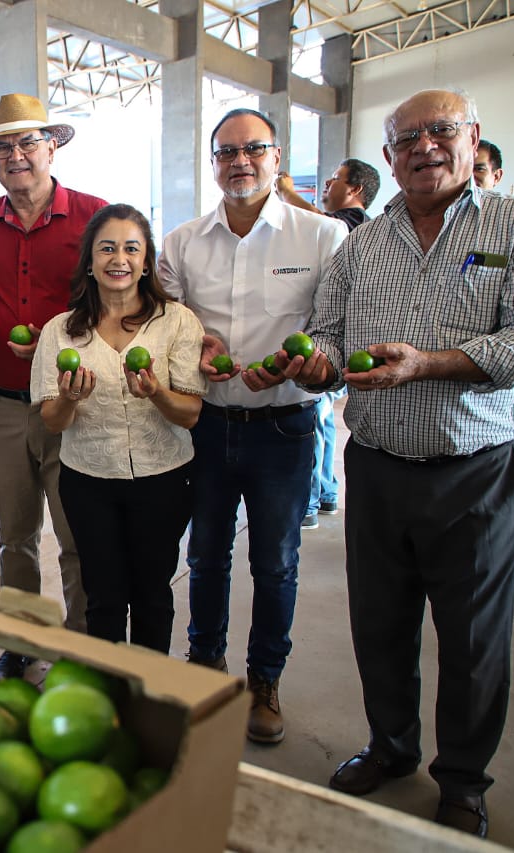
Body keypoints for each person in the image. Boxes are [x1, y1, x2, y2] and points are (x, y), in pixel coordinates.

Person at [282, 88, 514, 839]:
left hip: (477, 470)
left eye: (441, 131)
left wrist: (430, 363)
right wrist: (319, 367)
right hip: (377, 464)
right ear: (389, 154)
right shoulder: (364, 243)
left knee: (472, 637)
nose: (424, 147)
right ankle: (391, 745)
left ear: (472, 138)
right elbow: (329, 332)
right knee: (381, 622)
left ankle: (464, 778)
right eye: (407, 138)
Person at [158, 108, 346, 744]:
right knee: (206, 556)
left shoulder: (321, 238)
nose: (240, 161)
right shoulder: (183, 242)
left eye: (254, 149)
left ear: (276, 155)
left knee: (277, 562)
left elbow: (334, 328)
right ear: (213, 162)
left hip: (285, 426)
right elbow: (167, 324)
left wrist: (307, 360)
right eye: (227, 152)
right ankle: (205, 666)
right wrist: (198, 344)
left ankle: (264, 680)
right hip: (205, 427)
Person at [0, 93, 107, 680]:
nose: (14, 155)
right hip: (6, 408)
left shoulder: (94, 216)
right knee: (14, 536)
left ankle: (82, 652)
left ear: (53, 145)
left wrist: (55, 340)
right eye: (1, 146)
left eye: (26, 143)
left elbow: (119, 301)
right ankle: (21, 643)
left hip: (74, 404)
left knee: (77, 539)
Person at [31, 204, 204, 650]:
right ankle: (107, 696)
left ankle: (148, 697)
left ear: (147, 261)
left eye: (131, 248)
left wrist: (157, 393)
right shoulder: (60, 331)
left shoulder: (177, 322)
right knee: (103, 597)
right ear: (89, 261)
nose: (119, 259)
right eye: (106, 248)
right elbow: (52, 422)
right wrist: (69, 399)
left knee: (152, 593)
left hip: (162, 477)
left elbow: (190, 414)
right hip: (88, 480)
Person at [275, 158, 380, 529]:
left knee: (316, 417)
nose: (326, 185)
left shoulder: (348, 224)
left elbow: (324, 220)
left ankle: (312, 497)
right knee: (324, 420)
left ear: (354, 190)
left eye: (334, 180)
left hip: (330, 350)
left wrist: (287, 193)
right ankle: (327, 492)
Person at [275, 158, 380, 233]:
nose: (327, 182)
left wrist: (286, 191)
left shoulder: (358, 220)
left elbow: (321, 222)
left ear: (355, 189)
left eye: (336, 178)